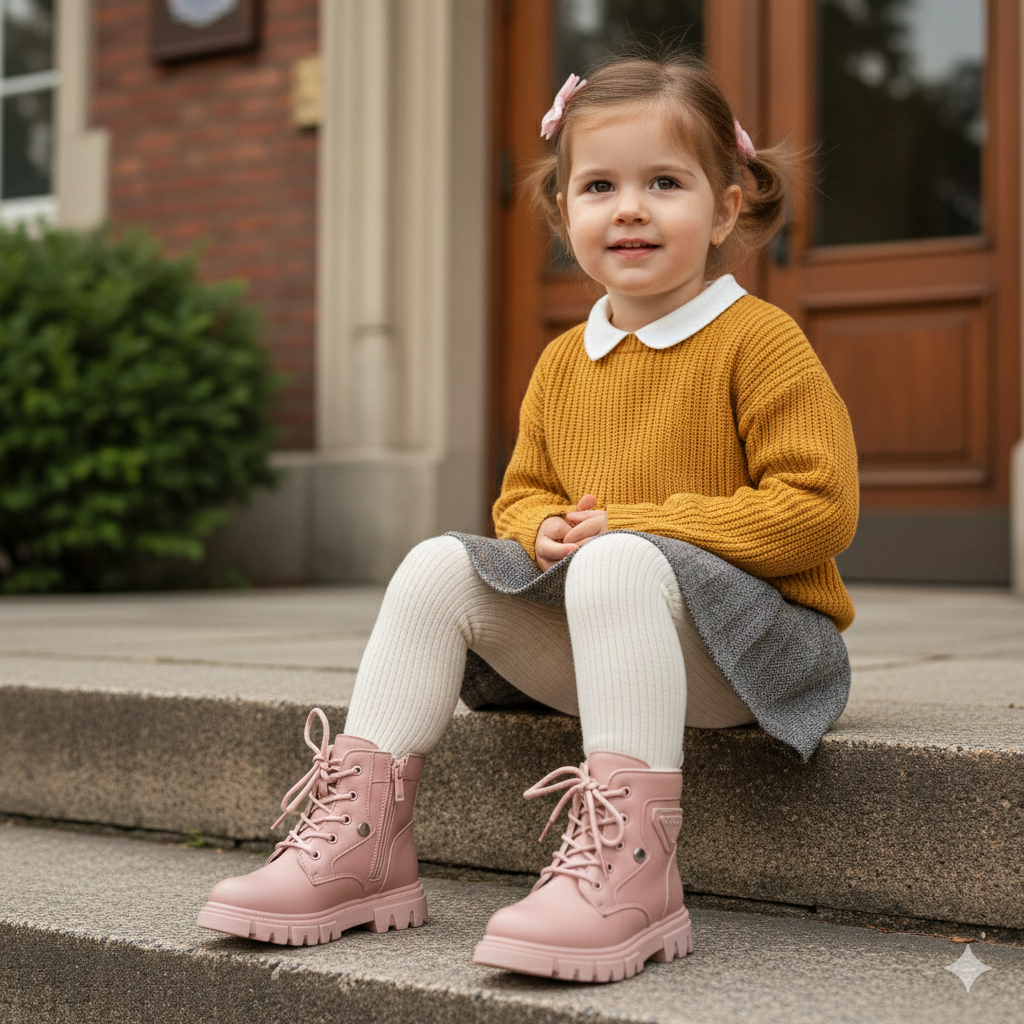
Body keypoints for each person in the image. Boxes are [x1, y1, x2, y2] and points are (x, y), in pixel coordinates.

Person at [197, 52, 858, 984]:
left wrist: (627, 525)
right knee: (438, 561)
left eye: (663, 182)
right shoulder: (562, 362)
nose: (629, 207)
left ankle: (632, 875)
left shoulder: (759, 340)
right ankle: (360, 845)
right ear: (565, 214)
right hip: (623, 636)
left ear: (725, 207)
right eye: (599, 186)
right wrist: (540, 530)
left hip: (762, 654)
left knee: (618, 560)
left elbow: (816, 511)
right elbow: (523, 494)